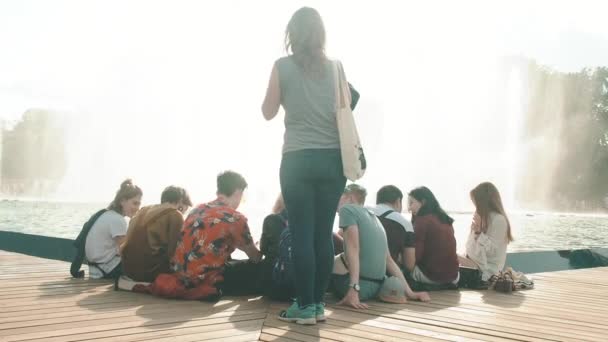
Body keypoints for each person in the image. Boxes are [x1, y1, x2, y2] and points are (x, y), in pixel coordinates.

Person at [262, 7, 355, 324]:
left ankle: (304, 305)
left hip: (298, 159)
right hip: (333, 161)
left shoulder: (282, 66)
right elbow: (346, 106)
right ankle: (316, 304)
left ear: (292, 35)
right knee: (322, 233)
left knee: (301, 233)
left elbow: (268, 111)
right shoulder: (336, 68)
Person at [132, 171, 261, 300]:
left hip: (181, 276)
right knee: (258, 268)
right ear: (238, 192)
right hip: (207, 280)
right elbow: (255, 258)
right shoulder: (235, 218)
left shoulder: (197, 209)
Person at [331, 184, 430, 309]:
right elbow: (389, 260)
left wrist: (354, 289)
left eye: (337, 197)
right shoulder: (374, 218)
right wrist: (410, 293)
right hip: (375, 288)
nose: (333, 202)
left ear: (349, 198)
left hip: (353, 287)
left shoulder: (348, 210)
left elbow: (353, 249)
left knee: (327, 240)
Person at [120, 186, 192, 282]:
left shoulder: (143, 210)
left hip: (128, 270)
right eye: (186, 207)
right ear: (181, 202)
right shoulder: (175, 214)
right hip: (150, 272)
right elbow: (173, 252)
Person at [85, 179, 142, 279]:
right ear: (122, 201)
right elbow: (125, 251)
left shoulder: (107, 214)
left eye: (139, 204)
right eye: (135, 203)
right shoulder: (118, 220)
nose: (137, 208)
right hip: (106, 270)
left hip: (95, 269)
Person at [459, 182, 513, 281]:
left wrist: (478, 233)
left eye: (476, 202)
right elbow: (470, 248)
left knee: (449, 257)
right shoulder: (482, 217)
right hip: (474, 263)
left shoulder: (499, 220)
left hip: (487, 270)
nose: (475, 206)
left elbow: (492, 251)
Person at [408, 186, 459, 286]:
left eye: (411, 203)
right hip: (453, 277)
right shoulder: (445, 219)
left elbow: (415, 257)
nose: (409, 208)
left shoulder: (422, 221)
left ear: (423, 202)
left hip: (432, 277)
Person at [372, 185, 416, 272]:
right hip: (385, 273)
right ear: (398, 201)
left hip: (354, 269)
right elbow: (409, 265)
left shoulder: (362, 212)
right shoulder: (405, 224)